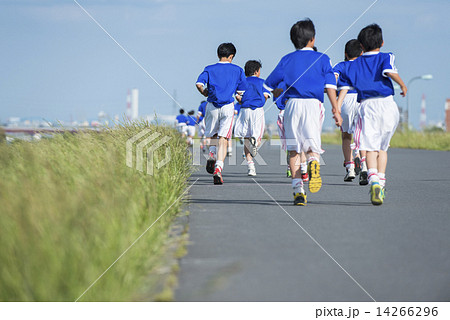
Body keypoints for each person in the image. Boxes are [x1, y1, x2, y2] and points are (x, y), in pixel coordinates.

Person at [264, 18, 342, 206]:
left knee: (293, 149)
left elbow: (268, 85)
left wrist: (276, 92)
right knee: (311, 147)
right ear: (313, 39)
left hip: (292, 105)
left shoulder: (287, 59)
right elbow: (331, 86)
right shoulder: (323, 59)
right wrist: (335, 108)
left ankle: (298, 190)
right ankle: (314, 163)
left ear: (293, 40)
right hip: (313, 104)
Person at [337, 23, 407, 205]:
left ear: (361, 46)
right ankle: (381, 183)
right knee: (383, 148)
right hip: (388, 105)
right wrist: (402, 84)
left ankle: (373, 180)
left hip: (367, 107)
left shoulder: (352, 66)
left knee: (369, 147)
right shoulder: (386, 56)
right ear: (382, 42)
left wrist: (336, 108)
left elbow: (343, 88)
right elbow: (389, 71)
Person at [196, 43, 246, 184]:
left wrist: (204, 92)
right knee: (223, 138)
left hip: (211, 105)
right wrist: (239, 98)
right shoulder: (238, 70)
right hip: (228, 106)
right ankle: (218, 168)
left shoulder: (209, 69)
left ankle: (211, 155)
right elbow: (241, 93)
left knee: (212, 135)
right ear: (231, 56)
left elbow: (199, 84)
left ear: (218, 54)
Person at [333, 39, 368, 184]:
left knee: (346, 136)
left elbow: (333, 80)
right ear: (362, 53)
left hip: (345, 99)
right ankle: (365, 166)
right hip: (362, 100)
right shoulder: (365, 65)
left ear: (346, 54)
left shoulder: (340, 65)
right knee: (362, 136)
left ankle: (350, 167)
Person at [234, 60, 271, 176]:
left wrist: (244, 101)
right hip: (257, 111)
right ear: (256, 71)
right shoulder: (262, 82)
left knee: (246, 138)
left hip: (244, 110)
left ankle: (251, 167)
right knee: (257, 137)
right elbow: (266, 96)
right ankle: (255, 144)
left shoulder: (242, 82)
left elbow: (238, 97)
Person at [273, 82, 309, 181]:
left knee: (290, 145)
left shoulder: (279, 84)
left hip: (284, 113)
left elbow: (276, 100)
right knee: (301, 142)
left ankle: (291, 168)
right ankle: (304, 170)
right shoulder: (299, 81)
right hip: (299, 111)